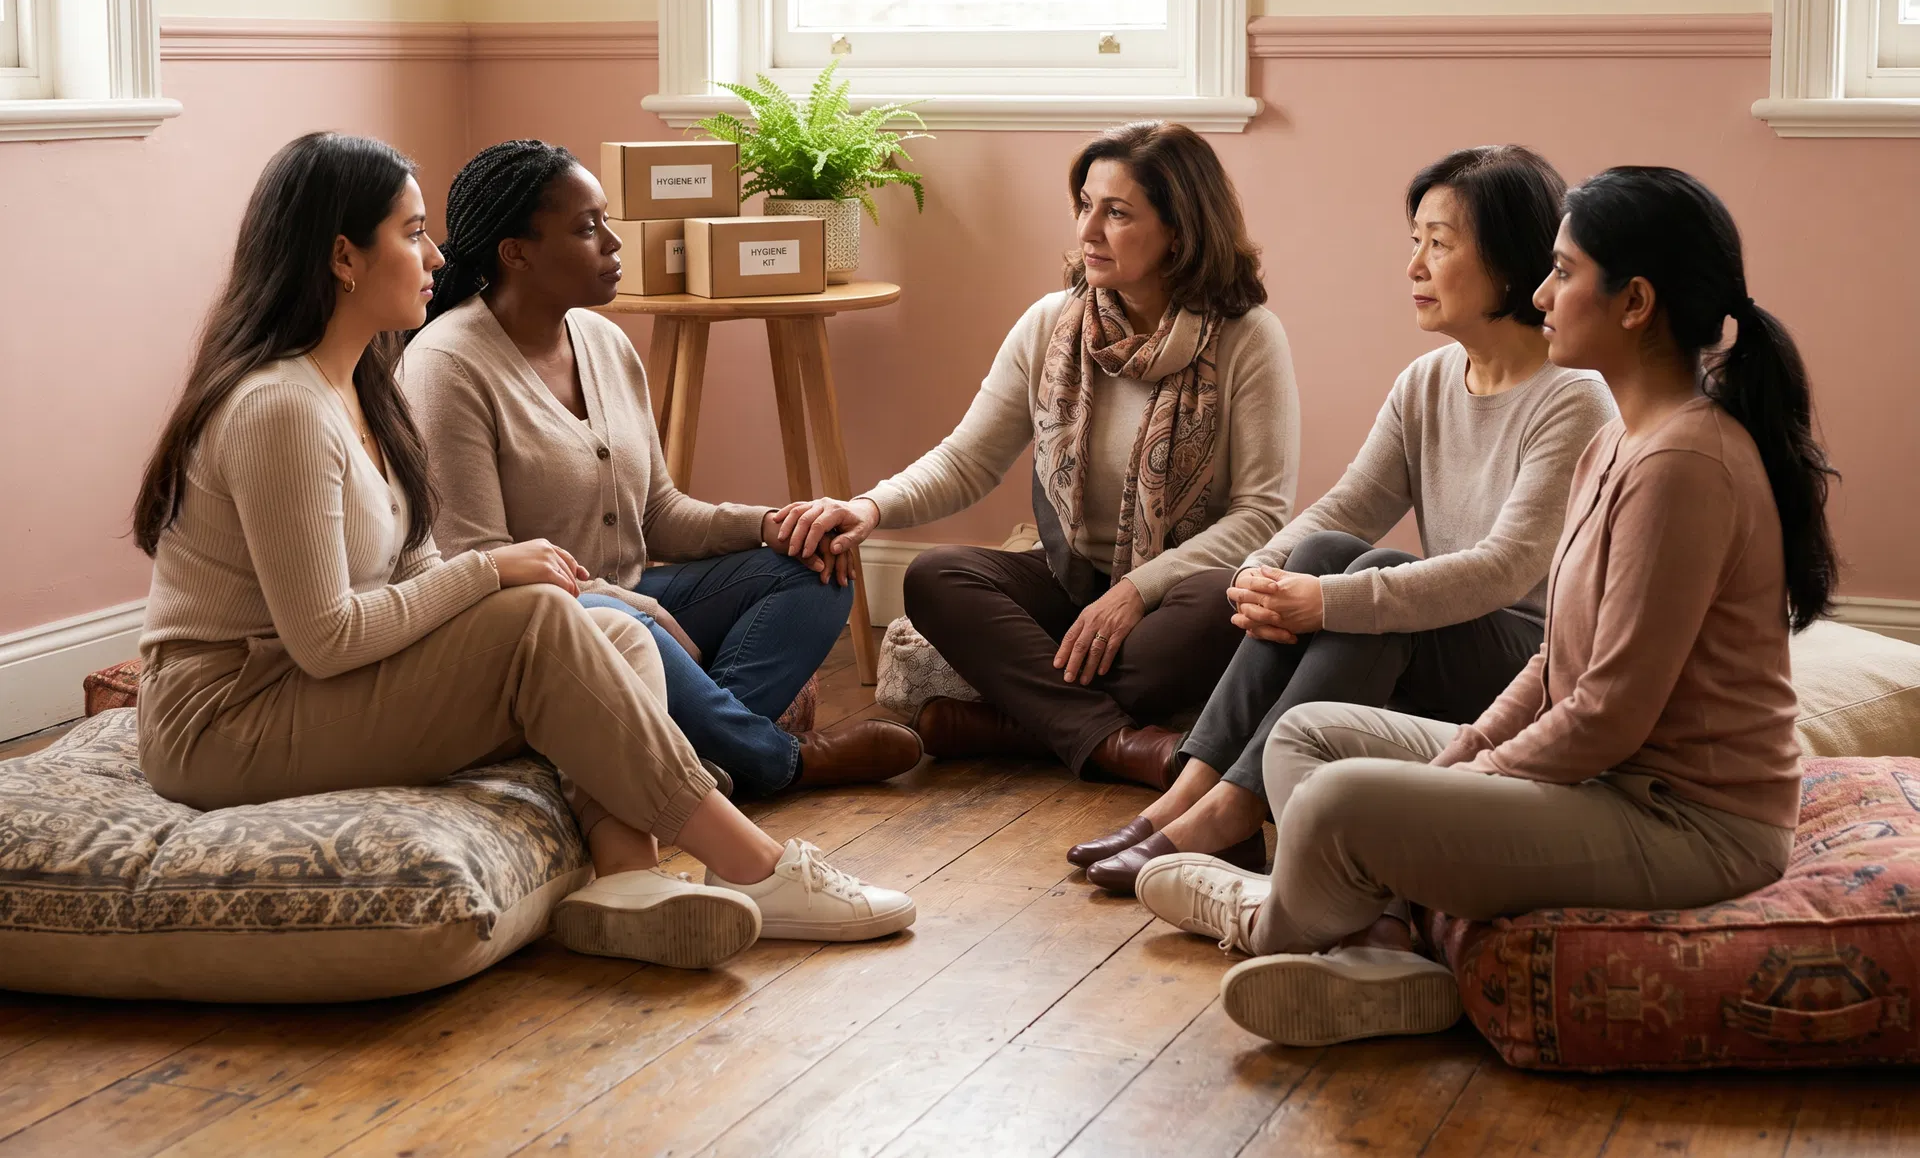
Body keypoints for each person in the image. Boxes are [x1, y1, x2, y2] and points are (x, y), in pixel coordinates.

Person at [133, 132, 915, 973]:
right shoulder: (281, 407)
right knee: (548, 618)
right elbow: (325, 639)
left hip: (309, 686)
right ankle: (754, 865)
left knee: (609, 635)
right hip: (227, 720)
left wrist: (549, 586)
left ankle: (629, 881)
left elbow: (416, 569)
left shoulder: (363, 387)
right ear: (343, 257)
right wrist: (494, 571)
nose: (437, 256)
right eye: (412, 233)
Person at [1133, 165, 1835, 1047]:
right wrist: (1459, 759)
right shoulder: (1620, 441)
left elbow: (1607, 715)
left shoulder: (1682, 465)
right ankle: (1381, 949)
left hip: (1683, 823)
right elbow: (1554, 662)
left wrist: (1458, 787)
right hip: (1608, 783)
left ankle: (1264, 918)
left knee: (1338, 802)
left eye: (1564, 273)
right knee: (1307, 738)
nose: (1541, 294)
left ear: (1635, 303)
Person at [1068, 145, 1616, 894]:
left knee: (1371, 576)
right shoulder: (1427, 381)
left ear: (1511, 261)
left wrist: (1325, 601)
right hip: (1448, 634)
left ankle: (1233, 809)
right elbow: (1349, 506)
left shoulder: (1574, 397)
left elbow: (1504, 570)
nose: (1414, 266)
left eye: (1439, 244)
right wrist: (1264, 569)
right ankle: (1189, 794)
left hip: (1528, 658)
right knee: (1324, 547)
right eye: (1415, 241)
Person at [777, 121, 1299, 791]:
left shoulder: (1246, 338)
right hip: (1068, 579)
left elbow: (1260, 514)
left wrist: (1138, 591)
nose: (1088, 230)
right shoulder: (1053, 323)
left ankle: (1003, 728)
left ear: (1180, 231)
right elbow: (968, 460)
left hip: (1173, 596)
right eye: (1085, 205)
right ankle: (1114, 741)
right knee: (936, 576)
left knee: (1228, 604)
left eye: (1117, 213)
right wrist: (870, 508)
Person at [401, 139, 921, 800]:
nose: (614, 242)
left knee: (817, 570)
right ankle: (779, 761)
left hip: (635, 597)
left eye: (607, 221)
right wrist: (632, 604)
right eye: (587, 229)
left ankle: (697, 758)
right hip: (541, 627)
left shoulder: (604, 341)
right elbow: (481, 566)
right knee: (628, 621)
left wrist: (771, 525)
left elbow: (658, 514)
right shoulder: (447, 367)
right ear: (517, 252)